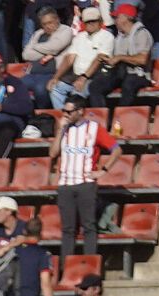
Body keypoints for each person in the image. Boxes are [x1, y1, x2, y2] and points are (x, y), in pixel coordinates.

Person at [49, 96, 116, 260]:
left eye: (69, 111)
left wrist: (103, 170)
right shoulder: (63, 129)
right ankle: (67, 268)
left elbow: (117, 149)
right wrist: (59, 131)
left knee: (88, 226)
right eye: (64, 111)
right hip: (65, 184)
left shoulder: (94, 128)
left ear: (80, 111)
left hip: (85, 183)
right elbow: (52, 153)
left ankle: (89, 265)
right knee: (68, 229)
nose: (65, 114)